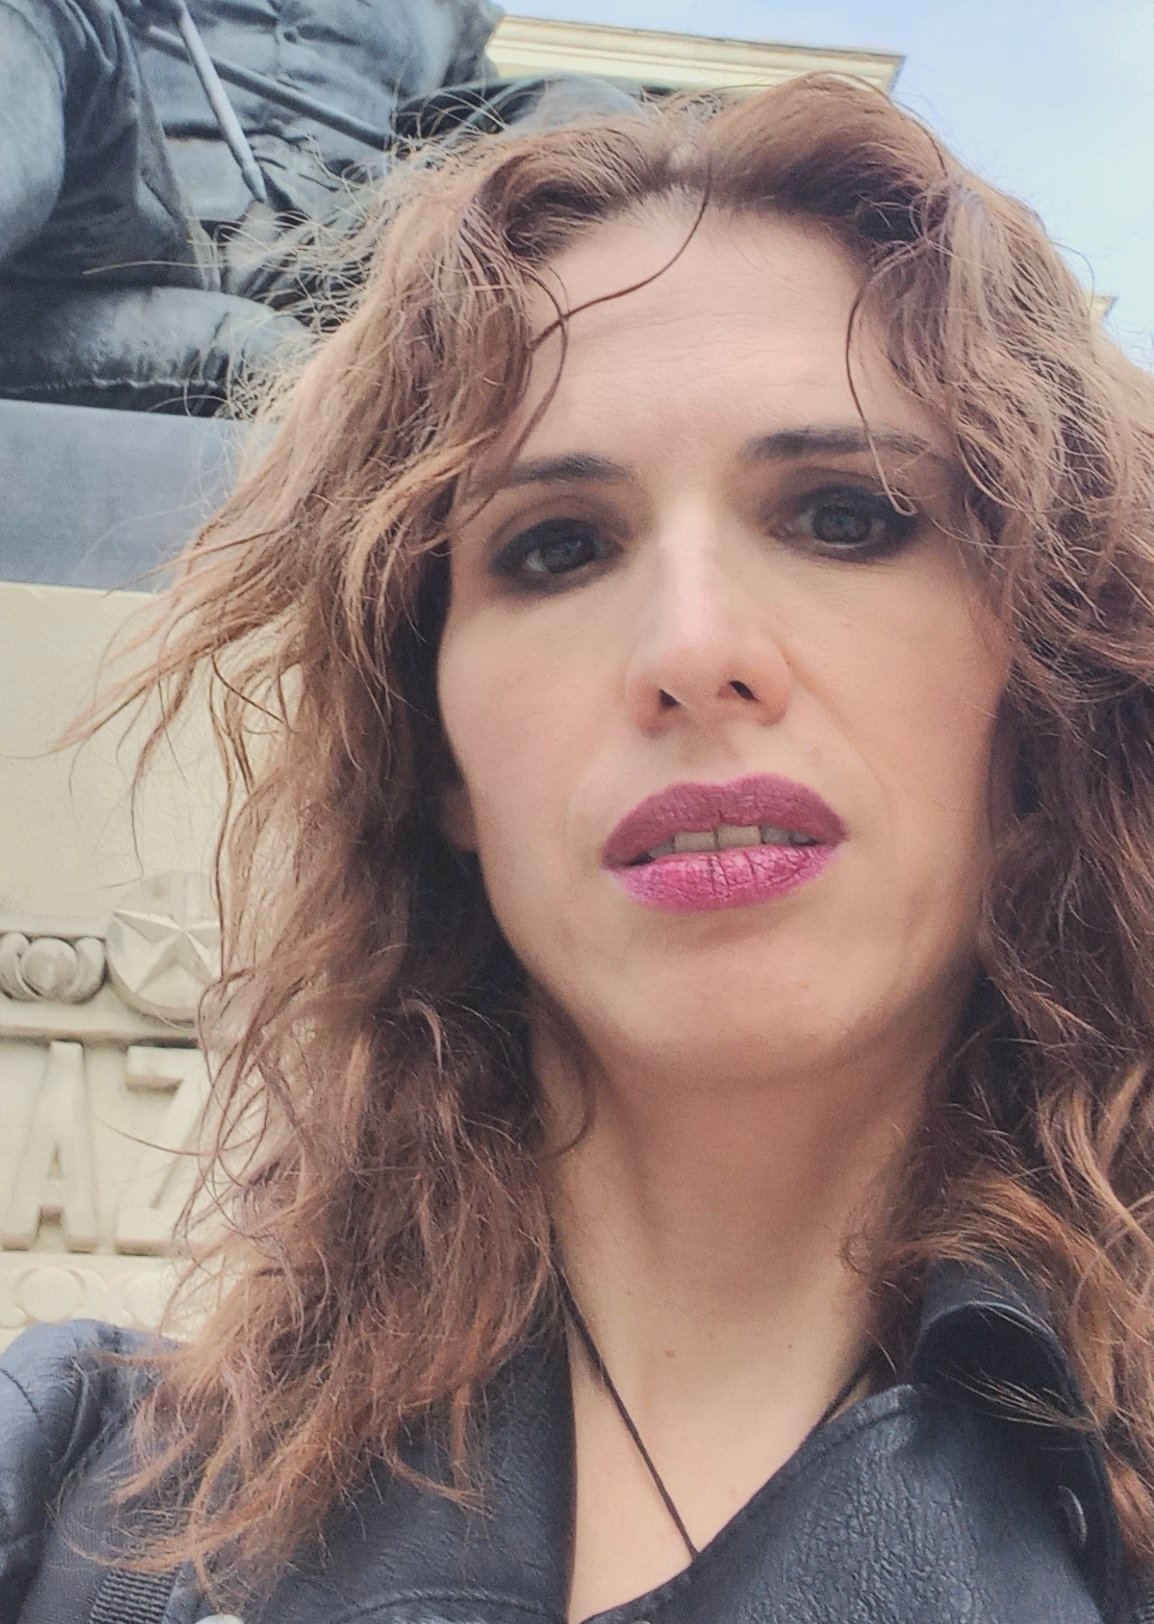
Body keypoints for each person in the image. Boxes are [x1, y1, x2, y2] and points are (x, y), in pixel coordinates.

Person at [4, 72, 1154, 1624]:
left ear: (1050, 670)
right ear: (435, 755)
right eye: (556, 548)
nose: (691, 650)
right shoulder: (67, 1503)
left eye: (845, 516)